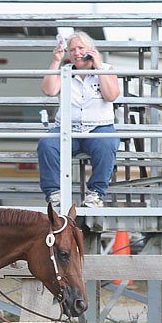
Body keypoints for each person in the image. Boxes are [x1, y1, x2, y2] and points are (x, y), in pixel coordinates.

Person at [37, 31, 120, 208]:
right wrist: (56, 60)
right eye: (72, 49)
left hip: (99, 127)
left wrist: (97, 66)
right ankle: (54, 194)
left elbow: (111, 95)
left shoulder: (106, 69)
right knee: (47, 143)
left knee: (107, 143)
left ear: (90, 49)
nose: (76, 52)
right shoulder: (65, 71)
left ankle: (96, 194)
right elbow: (49, 91)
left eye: (81, 48)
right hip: (67, 128)